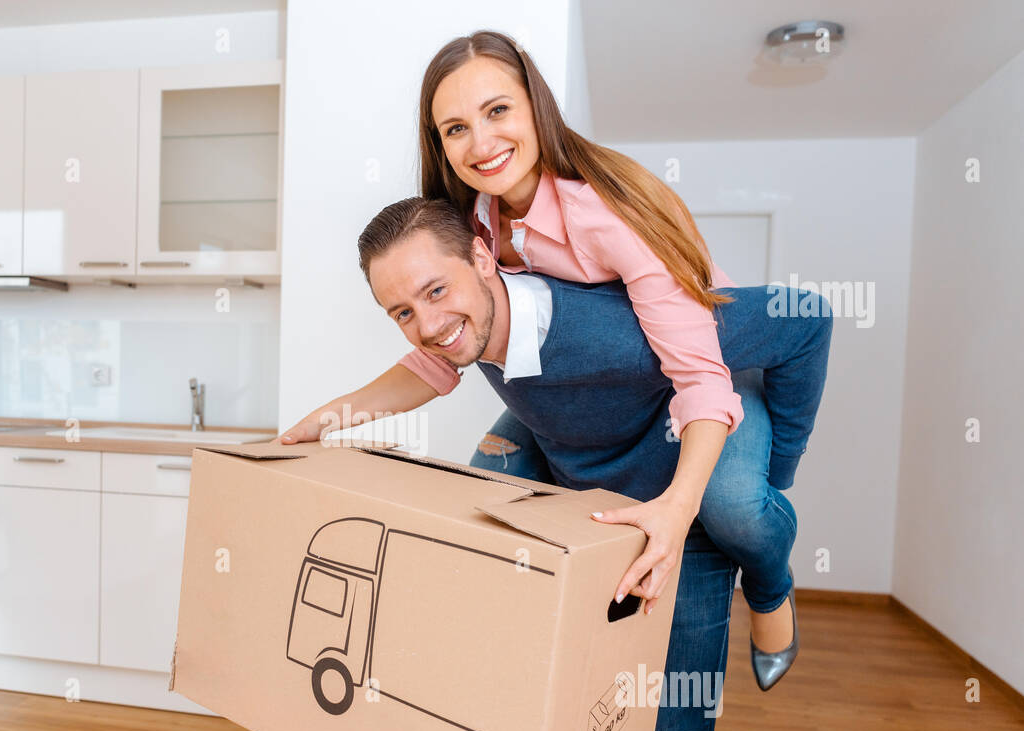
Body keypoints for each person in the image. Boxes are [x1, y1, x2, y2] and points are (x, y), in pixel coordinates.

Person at [283, 195, 831, 731]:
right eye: (403, 311)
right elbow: (432, 365)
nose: (426, 323)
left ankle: (770, 583)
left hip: (679, 519)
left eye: (435, 290)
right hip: (593, 510)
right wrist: (332, 416)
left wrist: (777, 473)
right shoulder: (473, 321)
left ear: (482, 259)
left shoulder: (621, 331)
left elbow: (805, 319)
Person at [282, 30, 825, 690]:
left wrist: (678, 508)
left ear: (536, 107)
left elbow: (698, 375)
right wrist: (333, 415)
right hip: (579, 384)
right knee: (487, 481)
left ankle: (770, 588)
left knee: (736, 503)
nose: (480, 144)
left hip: (696, 361)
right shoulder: (472, 221)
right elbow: (442, 354)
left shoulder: (606, 215)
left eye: (497, 111)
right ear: (440, 144)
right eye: (456, 128)